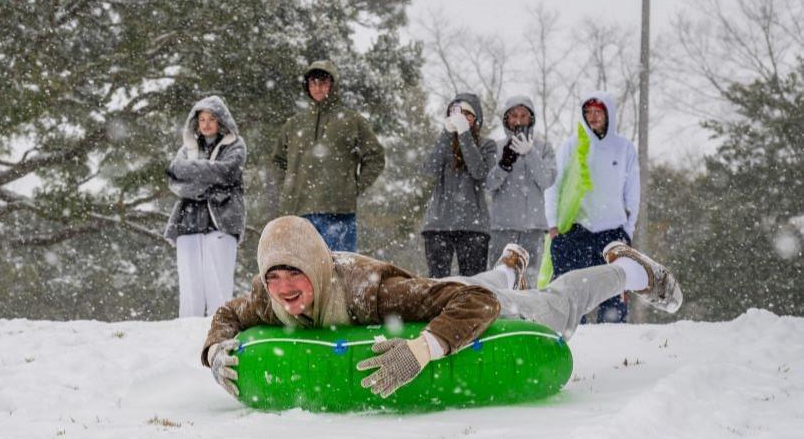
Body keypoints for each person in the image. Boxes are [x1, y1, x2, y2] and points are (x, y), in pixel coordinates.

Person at [204, 216, 682, 401]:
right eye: (274, 277)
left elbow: (479, 302)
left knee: (554, 304)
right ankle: (508, 265)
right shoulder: (269, 299)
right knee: (469, 281)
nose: (285, 288)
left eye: (295, 274)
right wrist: (213, 353)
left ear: (316, 267)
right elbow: (228, 314)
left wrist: (424, 349)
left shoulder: (371, 291)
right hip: (448, 291)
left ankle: (632, 270)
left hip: (472, 306)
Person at [543, 91, 640, 323]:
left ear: (609, 114)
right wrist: (553, 225)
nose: (593, 117)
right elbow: (553, 186)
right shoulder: (571, 146)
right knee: (570, 295)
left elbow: (632, 192)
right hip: (574, 231)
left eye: (598, 112)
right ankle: (571, 342)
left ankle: (613, 344)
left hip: (612, 233)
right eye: (588, 112)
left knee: (613, 294)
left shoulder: (624, 148)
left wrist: (628, 229)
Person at [271, 60, 385, 252]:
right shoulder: (294, 124)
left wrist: (354, 187)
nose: (317, 87)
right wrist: (289, 187)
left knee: (340, 272)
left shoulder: (351, 120)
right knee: (302, 273)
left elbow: (375, 156)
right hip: (298, 212)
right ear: (307, 86)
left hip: (339, 212)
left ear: (333, 85)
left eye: (323, 82)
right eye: (313, 82)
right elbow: (277, 160)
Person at [164, 96, 246, 317]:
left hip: (222, 221)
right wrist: (207, 179)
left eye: (212, 118)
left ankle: (219, 336)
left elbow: (226, 172)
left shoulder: (235, 145)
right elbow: (174, 176)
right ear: (196, 122)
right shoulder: (187, 148)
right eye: (202, 119)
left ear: (221, 121)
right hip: (188, 221)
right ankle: (186, 340)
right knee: (190, 290)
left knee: (219, 289)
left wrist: (193, 173)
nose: (207, 124)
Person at [421, 93, 497, 278]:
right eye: (456, 112)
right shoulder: (443, 142)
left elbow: (480, 172)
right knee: (438, 285)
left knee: (472, 286)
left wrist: (464, 135)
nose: (460, 117)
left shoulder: (488, 145)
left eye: (467, 113)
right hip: (438, 224)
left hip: (474, 225)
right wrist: (446, 134)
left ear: (475, 119)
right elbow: (430, 170)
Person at [486, 95, 557, 289]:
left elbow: (547, 180)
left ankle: (526, 317)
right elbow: (489, 184)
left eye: (523, 115)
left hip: (532, 228)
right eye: (514, 115)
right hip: (502, 227)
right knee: (499, 279)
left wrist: (530, 152)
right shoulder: (496, 147)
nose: (518, 120)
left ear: (531, 119)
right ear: (506, 119)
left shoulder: (543, 148)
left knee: (529, 281)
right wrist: (504, 164)